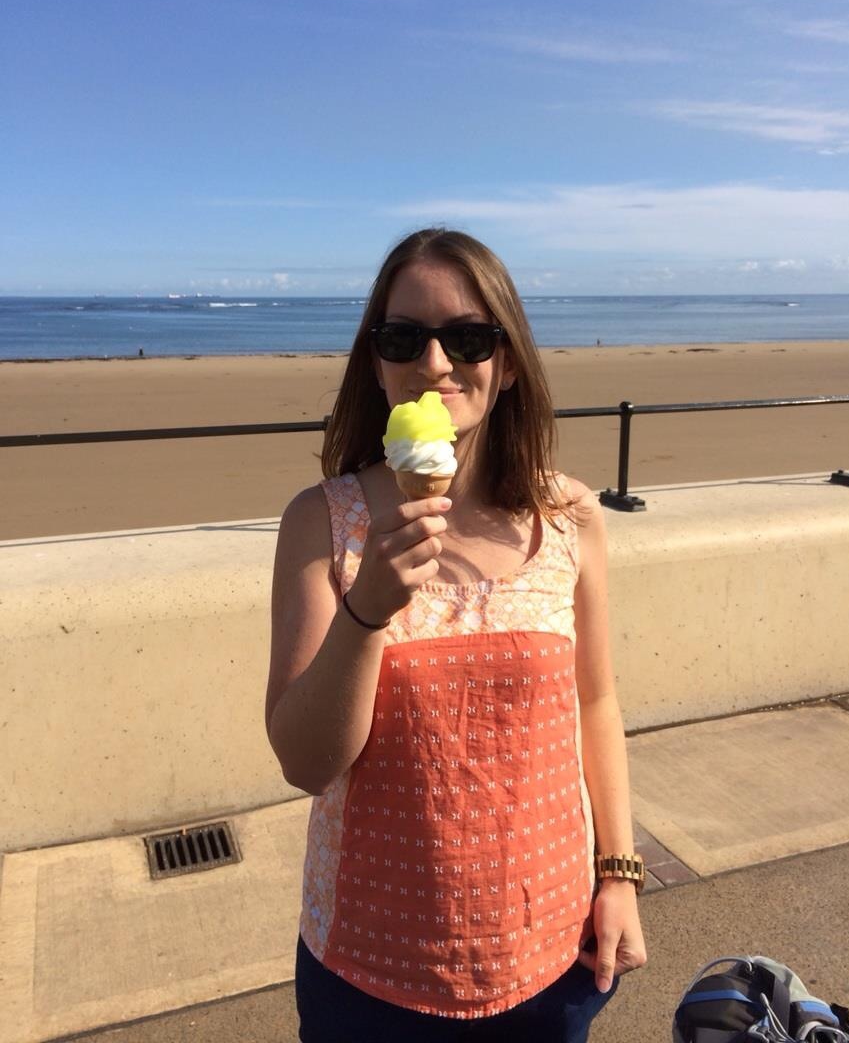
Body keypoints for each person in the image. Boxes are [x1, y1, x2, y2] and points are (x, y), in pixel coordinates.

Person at [266, 228, 647, 1042]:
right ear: (377, 363)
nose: (435, 363)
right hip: (371, 965)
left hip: (551, 946)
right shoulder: (322, 523)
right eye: (403, 337)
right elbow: (305, 763)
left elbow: (596, 703)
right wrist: (367, 610)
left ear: (507, 364)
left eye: (468, 338)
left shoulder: (569, 514)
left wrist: (619, 874)